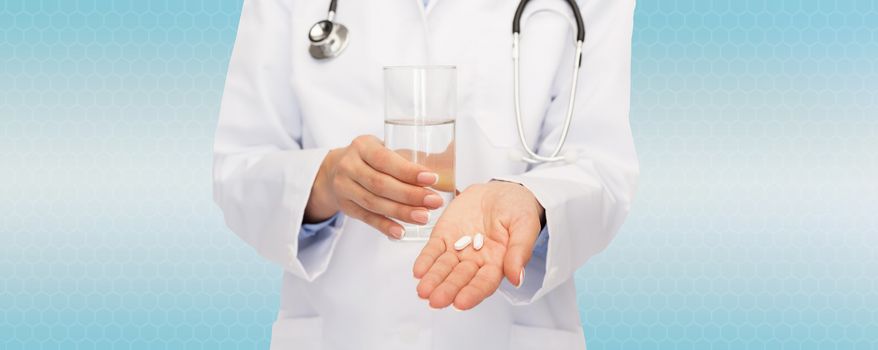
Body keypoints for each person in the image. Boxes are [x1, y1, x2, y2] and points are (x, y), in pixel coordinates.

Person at [212, 0, 638, 349]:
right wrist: (322, 182)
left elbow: (602, 168)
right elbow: (239, 168)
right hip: (343, 333)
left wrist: (529, 199)